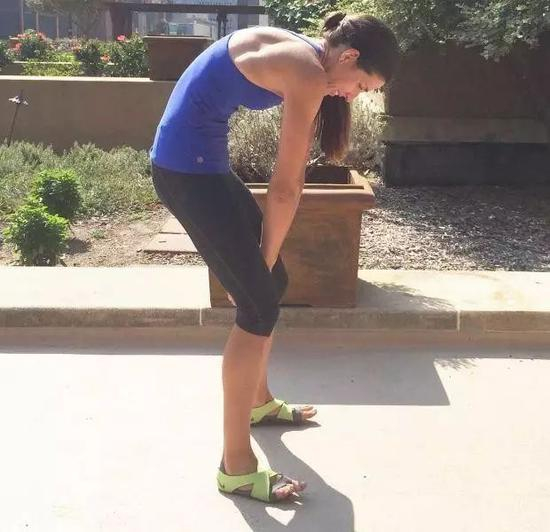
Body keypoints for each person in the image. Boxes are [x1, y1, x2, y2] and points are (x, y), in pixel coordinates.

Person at [149, 11, 399, 503]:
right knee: (258, 303)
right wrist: (260, 263)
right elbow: (286, 188)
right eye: (361, 86)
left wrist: (265, 265)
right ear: (349, 57)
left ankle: (259, 403)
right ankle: (235, 466)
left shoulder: (314, 54)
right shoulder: (307, 72)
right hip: (185, 172)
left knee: (271, 286)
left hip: (202, 164)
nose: (354, 96)